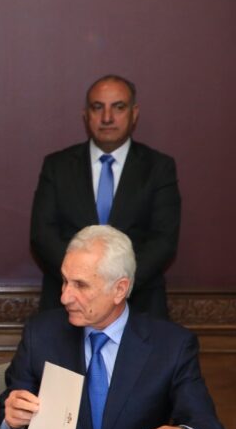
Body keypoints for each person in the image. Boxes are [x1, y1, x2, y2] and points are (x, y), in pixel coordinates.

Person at [0, 226, 225, 429]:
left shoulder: (171, 345)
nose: (65, 297)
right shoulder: (41, 335)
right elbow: (1, 423)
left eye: (81, 285)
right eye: (64, 281)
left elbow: (208, 427)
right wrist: (12, 424)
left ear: (119, 289)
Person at [30, 74, 180, 318]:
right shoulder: (57, 166)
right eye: (98, 107)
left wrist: (117, 286)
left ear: (134, 113)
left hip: (139, 304)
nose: (107, 117)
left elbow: (163, 241)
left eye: (118, 107)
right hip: (66, 305)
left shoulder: (159, 168)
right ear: (85, 114)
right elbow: (43, 235)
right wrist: (81, 283)